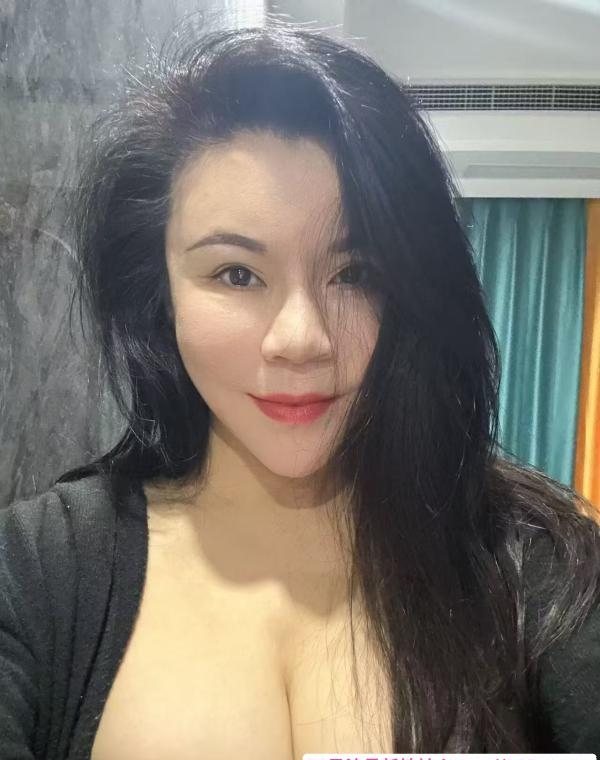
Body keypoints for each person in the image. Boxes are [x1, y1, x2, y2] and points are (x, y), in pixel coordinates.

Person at [1, 19, 599, 759]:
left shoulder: (537, 566)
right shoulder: (37, 568)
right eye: (236, 274)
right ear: (160, 293)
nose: (301, 338)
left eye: (354, 273)